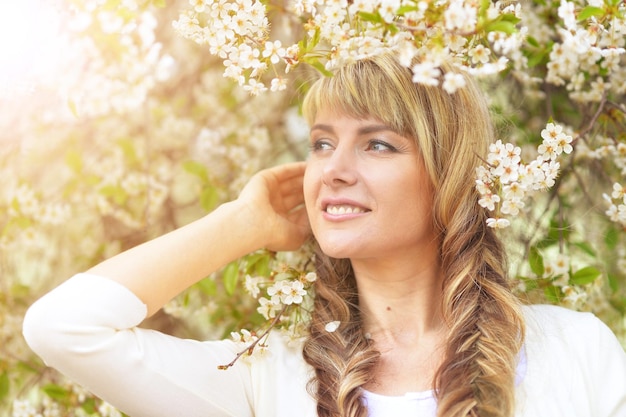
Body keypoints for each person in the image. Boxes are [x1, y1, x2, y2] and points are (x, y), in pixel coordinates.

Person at [23, 54, 626, 417]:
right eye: (320, 144)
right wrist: (243, 223)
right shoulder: (270, 379)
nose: (333, 168)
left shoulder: (573, 351)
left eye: (378, 143)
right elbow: (63, 328)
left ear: (446, 173)